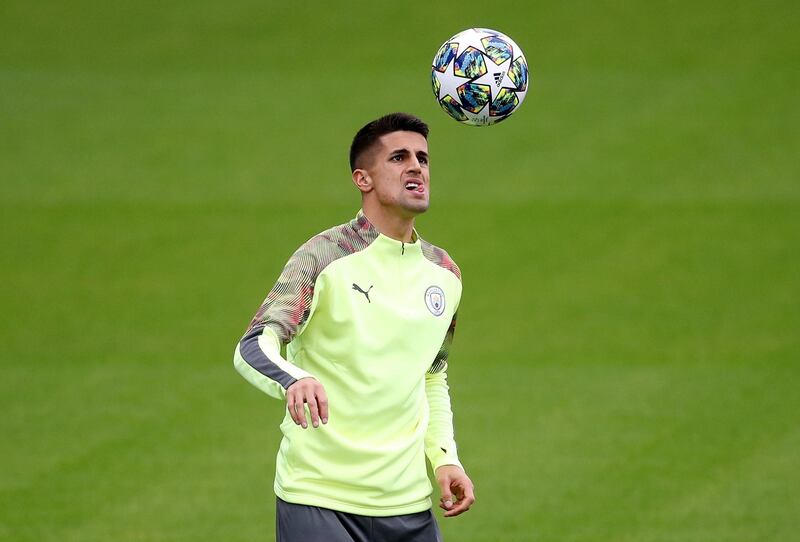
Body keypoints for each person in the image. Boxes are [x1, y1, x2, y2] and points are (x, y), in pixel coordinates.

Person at [233, 112, 475, 542]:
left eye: (423, 157)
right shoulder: (324, 257)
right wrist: (295, 379)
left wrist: (445, 459)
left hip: (408, 506)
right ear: (362, 179)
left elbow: (432, 375)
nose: (416, 166)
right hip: (319, 499)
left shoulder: (445, 274)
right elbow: (253, 346)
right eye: (399, 158)